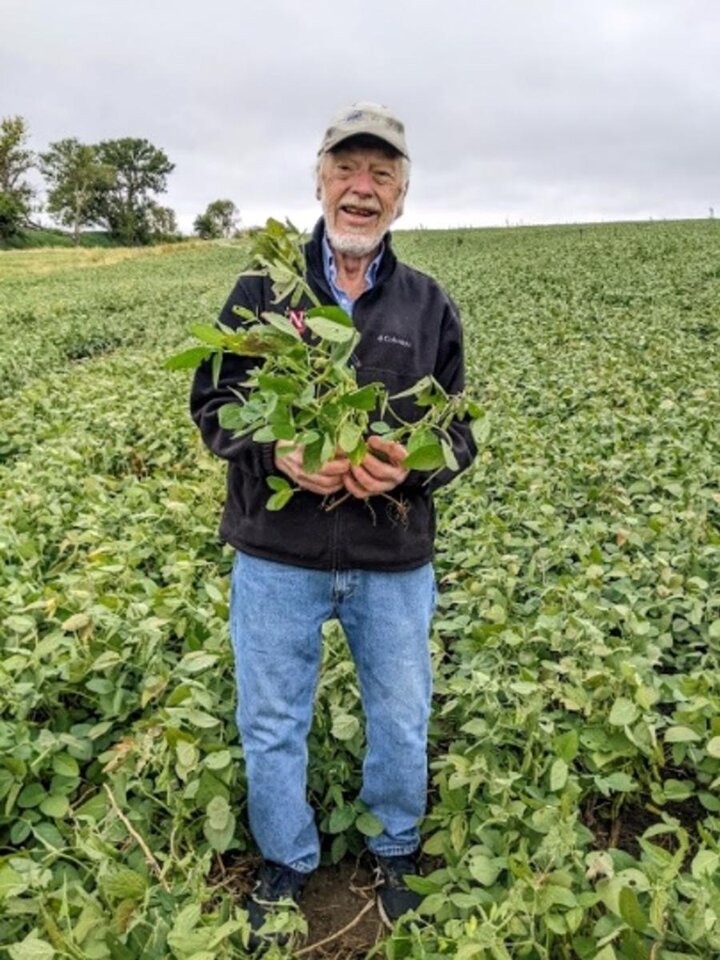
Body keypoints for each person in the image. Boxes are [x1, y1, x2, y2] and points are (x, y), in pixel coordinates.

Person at [190, 102, 477, 943]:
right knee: (271, 717)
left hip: (393, 558)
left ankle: (394, 849)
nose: (362, 188)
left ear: (401, 196)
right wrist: (276, 451)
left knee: (399, 712)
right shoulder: (263, 294)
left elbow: (459, 431)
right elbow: (212, 403)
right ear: (319, 183)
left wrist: (414, 464)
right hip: (279, 555)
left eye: (381, 174)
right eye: (347, 170)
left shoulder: (429, 306)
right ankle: (287, 861)